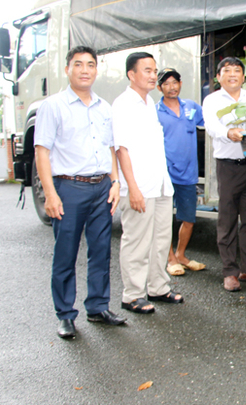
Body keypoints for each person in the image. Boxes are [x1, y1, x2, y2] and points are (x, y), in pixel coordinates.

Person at [34, 46, 127, 338]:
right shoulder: (53, 106)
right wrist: (50, 194)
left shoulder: (104, 107)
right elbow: (41, 152)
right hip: (68, 188)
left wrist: (115, 182)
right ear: (67, 70)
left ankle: (98, 307)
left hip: (101, 187)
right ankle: (65, 315)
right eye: (78, 64)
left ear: (96, 70)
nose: (85, 70)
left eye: (90, 65)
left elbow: (110, 148)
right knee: (66, 254)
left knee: (101, 251)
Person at [112, 52, 184, 314]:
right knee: (137, 240)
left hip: (161, 184)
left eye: (154, 70)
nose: (153, 75)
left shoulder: (149, 102)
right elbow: (122, 150)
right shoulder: (123, 104)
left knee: (161, 239)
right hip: (140, 185)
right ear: (132, 75)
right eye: (147, 70)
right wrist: (132, 188)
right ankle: (132, 295)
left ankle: (158, 287)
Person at [202, 57, 246, 292]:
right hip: (228, 166)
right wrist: (227, 132)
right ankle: (230, 273)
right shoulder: (212, 100)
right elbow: (211, 126)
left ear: (243, 76)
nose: (233, 74)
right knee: (227, 220)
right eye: (227, 70)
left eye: (237, 70)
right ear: (219, 77)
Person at [156, 68, 206, 276]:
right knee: (164, 218)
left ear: (180, 83)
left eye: (174, 82)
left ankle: (181, 255)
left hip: (188, 172)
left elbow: (209, 124)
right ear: (159, 88)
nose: (171, 87)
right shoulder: (155, 112)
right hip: (164, 173)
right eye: (166, 83)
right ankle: (170, 260)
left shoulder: (191, 108)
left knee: (189, 218)